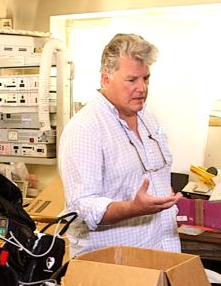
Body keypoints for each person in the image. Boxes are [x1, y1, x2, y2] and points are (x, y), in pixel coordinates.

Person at [59, 33, 182, 256]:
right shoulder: (86, 128)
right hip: (112, 266)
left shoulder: (148, 117)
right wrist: (133, 209)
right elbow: (81, 207)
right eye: (132, 80)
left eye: (146, 79)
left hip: (161, 251)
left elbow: (156, 176)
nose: (142, 88)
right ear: (106, 79)